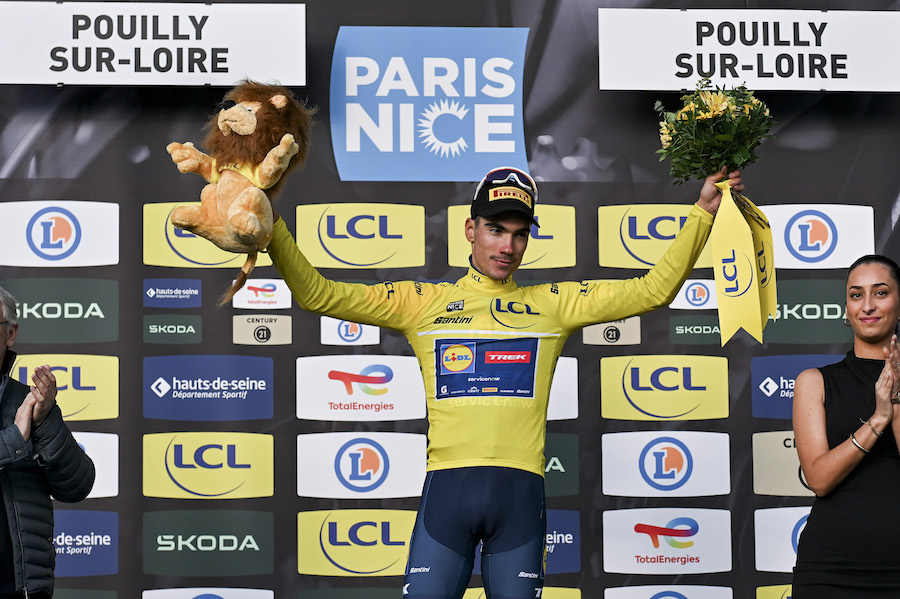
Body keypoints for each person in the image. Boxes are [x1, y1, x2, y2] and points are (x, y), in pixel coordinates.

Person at [267, 166, 741, 599]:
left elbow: (652, 291)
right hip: (447, 497)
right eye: (495, 229)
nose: (507, 247)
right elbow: (317, 294)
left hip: (519, 502)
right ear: (470, 230)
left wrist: (702, 212)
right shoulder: (422, 302)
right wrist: (269, 224)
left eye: (519, 234)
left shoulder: (551, 304)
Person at [792, 255, 900, 598]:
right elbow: (819, 479)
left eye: (880, 292)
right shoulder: (815, 382)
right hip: (830, 569)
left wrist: (896, 398)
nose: (867, 305)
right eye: (856, 295)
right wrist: (878, 419)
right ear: (846, 309)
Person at [0, 285, 95, 598]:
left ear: (10, 333)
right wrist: (14, 439)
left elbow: (77, 485)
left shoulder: (29, 402)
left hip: (18, 587)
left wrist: (44, 422)